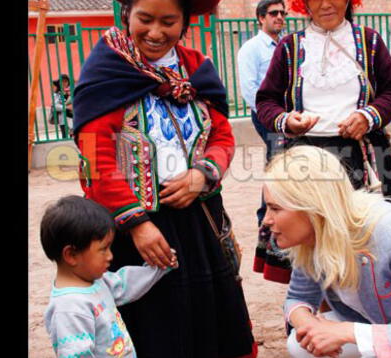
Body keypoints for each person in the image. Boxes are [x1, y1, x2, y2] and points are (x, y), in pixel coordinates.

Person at [71, 0, 257, 357]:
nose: (156, 32)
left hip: (200, 220)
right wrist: (137, 224)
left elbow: (222, 137)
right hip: (138, 230)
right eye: (145, 19)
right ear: (127, 15)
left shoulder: (196, 67)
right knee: (158, 323)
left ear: (184, 22)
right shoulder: (107, 70)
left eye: (169, 21)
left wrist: (203, 175)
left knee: (213, 317)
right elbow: (96, 156)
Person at [254, 0, 391, 284]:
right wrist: (287, 121)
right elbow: (266, 101)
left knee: (366, 242)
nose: (326, 4)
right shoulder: (289, 47)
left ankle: (366, 317)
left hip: (362, 155)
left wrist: (368, 116)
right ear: (304, 4)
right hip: (306, 160)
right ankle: (309, 315)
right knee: (309, 243)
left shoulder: (370, 42)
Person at [261, 145, 391, 358]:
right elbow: (297, 298)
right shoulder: (314, 236)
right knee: (300, 345)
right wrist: (311, 326)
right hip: (381, 327)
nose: (266, 220)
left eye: (275, 208)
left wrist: (348, 332)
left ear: (313, 207)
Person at [41, 195, 178, 358]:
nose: (110, 256)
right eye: (103, 249)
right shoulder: (70, 309)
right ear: (71, 254)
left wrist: (158, 268)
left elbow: (124, 284)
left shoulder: (96, 281)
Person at [236, 0, 291, 284]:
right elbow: (249, 89)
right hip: (268, 117)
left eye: (283, 13)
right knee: (277, 167)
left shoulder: (285, 45)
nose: (280, 17)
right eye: (273, 13)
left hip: (289, 118)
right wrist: (270, 117)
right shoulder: (252, 49)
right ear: (260, 18)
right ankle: (267, 228)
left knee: (281, 166)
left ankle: (276, 225)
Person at [50, 74, 74, 138]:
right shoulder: (56, 94)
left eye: (65, 81)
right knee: (65, 137)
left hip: (73, 117)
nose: (64, 83)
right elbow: (55, 106)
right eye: (62, 81)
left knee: (74, 137)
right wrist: (67, 108)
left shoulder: (70, 92)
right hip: (63, 118)